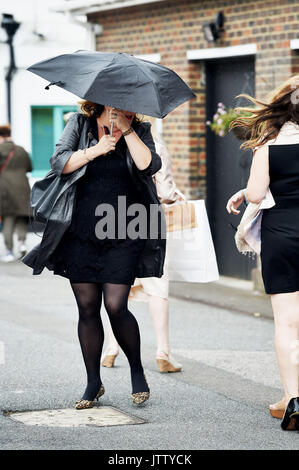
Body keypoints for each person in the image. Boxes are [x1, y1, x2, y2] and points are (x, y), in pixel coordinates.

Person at [22, 101, 166, 409]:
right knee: (87, 308)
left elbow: (149, 165)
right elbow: (59, 162)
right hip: (82, 230)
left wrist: (126, 130)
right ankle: (92, 382)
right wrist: (96, 150)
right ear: (102, 98)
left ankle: (137, 371)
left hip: (125, 227)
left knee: (116, 305)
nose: (125, 105)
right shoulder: (79, 124)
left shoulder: (140, 129)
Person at [226, 75, 299, 431]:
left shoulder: (268, 144)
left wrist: (246, 188)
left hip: (283, 236)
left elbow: (257, 194)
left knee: (287, 322)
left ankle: (292, 398)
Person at [101, 120, 184, 373]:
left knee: (118, 285)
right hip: (148, 218)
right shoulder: (155, 145)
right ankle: (163, 352)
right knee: (157, 286)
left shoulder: (108, 144)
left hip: (113, 219)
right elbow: (165, 190)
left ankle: (111, 348)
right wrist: (175, 195)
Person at [0, 124, 32, 262]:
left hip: (5, 188)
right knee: (22, 218)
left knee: (8, 219)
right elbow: (30, 167)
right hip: (23, 187)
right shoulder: (21, 150)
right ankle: (22, 244)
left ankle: (9, 251)